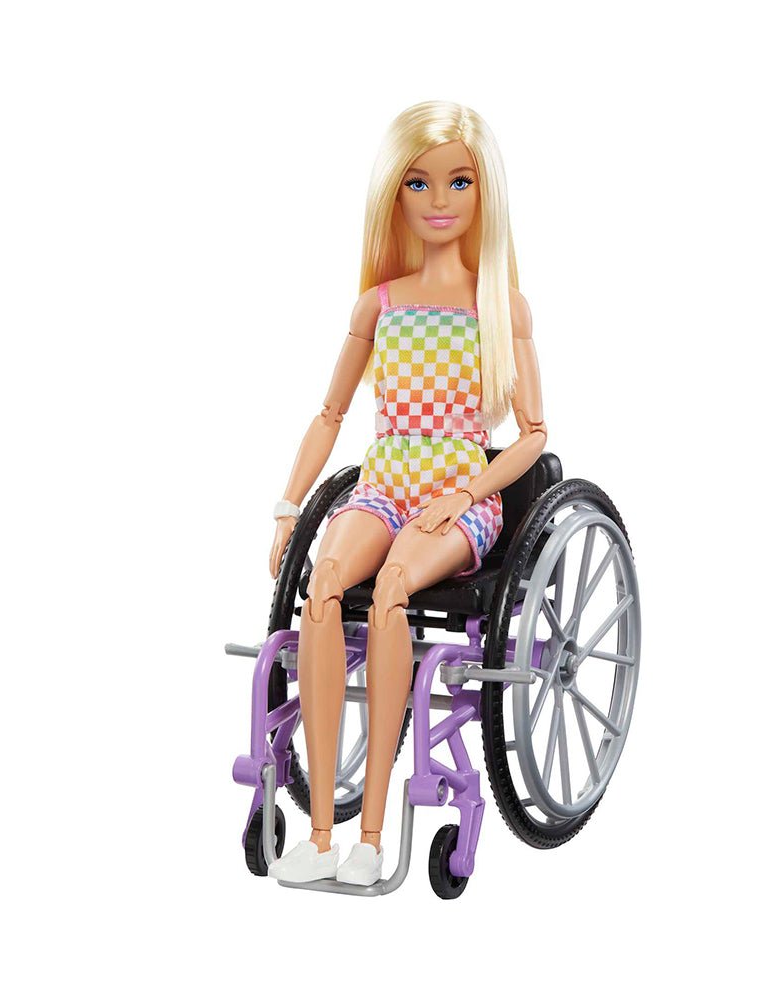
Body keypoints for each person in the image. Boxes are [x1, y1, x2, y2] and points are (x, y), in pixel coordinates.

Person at [266, 100, 548, 885]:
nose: (439, 201)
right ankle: (319, 833)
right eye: (418, 183)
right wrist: (289, 509)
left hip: (460, 490)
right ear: (395, 194)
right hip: (384, 480)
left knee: (392, 586)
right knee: (325, 582)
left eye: (459, 182)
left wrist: (468, 492)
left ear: (484, 192)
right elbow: (330, 415)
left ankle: (371, 835)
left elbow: (533, 434)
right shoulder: (379, 305)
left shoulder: (501, 308)